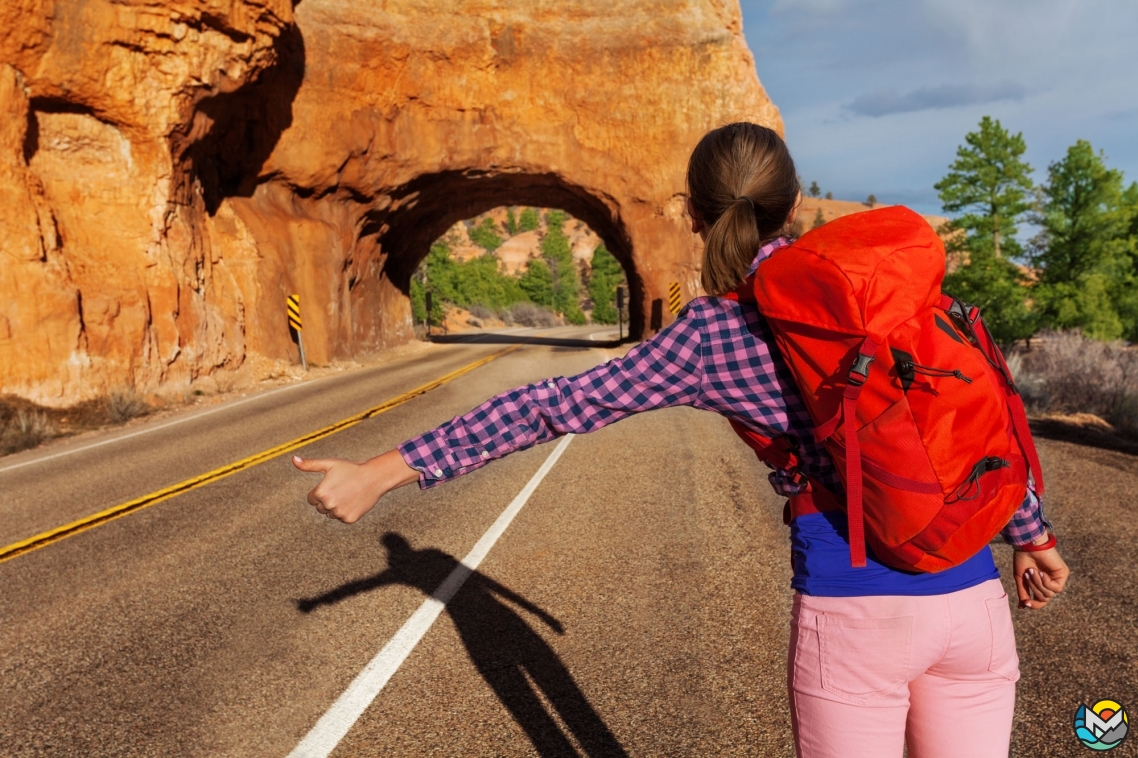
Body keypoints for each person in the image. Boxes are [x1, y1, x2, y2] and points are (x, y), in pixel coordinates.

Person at [293, 122, 1070, 758]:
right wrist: (1032, 536)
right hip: (970, 592)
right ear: (793, 204)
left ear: (694, 215)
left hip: (855, 605)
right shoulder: (894, 291)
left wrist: (386, 469)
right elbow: (977, 419)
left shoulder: (712, 334)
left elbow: (554, 406)